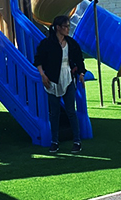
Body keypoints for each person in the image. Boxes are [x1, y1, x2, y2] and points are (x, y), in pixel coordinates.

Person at [34, 15, 86, 153]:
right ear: (58, 27)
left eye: (68, 26)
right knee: (54, 113)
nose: (68, 29)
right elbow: (38, 60)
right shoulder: (47, 43)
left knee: (71, 111)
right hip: (52, 80)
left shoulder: (71, 43)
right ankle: (54, 141)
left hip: (68, 78)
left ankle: (77, 141)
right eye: (65, 26)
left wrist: (81, 73)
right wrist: (42, 75)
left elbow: (79, 60)